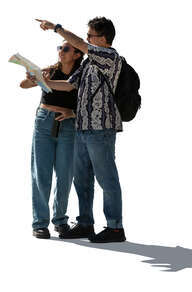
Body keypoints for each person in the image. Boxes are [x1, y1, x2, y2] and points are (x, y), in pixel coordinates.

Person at [35, 17, 126, 243]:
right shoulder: (87, 63)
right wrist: (42, 80)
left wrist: (57, 29)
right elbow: (69, 84)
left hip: (101, 129)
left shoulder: (109, 56)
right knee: (82, 180)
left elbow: (82, 46)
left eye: (90, 35)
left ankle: (115, 228)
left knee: (107, 179)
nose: (86, 40)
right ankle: (85, 223)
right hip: (82, 128)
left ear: (103, 39)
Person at [21, 42, 84, 239]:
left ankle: (60, 220)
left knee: (65, 175)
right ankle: (40, 223)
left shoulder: (81, 75)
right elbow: (23, 85)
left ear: (76, 54)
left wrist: (72, 112)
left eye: (66, 49)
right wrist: (33, 79)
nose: (61, 52)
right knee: (41, 173)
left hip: (68, 124)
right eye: (60, 48)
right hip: (44, 122)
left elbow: (86, 103)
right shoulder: (50, 70)